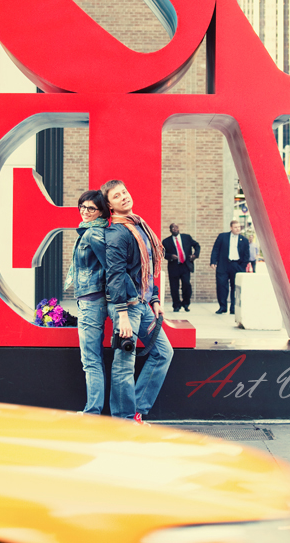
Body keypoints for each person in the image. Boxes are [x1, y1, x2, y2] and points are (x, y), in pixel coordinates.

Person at [101, 179, 174, 424]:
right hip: (127, 308)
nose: (123, 197)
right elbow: (115, 274)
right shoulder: (117, 232)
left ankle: (136, 411)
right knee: (124, 364)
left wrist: (154, 297)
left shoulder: (139, 225)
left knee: (163, 353)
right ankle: (123, 420)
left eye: (124, 192)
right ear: (110, 206)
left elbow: (147, 267)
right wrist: (121, 314)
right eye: (116, 196)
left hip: (143, 304)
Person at [65, 190, 110, 415]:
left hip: (93, 300)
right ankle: (94, 410)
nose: (84, 211)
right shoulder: (89, 231)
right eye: (82, 207)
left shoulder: (94, 234)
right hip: (90, 299)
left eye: (90, 208)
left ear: (101, 211)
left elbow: (112, 266)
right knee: (93, 359)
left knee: (90, 360)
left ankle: (92, 413)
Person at [209, 220, 252, 314]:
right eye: (235, 227)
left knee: (235, 287)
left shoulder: (244, 240)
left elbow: (246, 255)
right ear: (231, 228)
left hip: (236, 265)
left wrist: (242, 267)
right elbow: (215, 249)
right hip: (223, 265)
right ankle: (222, 307)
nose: (238, 229)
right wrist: (213, 261)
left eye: (239, 227)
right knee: (221, 286)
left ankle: (233, 307)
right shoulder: (222, 236)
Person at [162, 223, 200, 312]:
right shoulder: (166, 241)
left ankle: (186, 303)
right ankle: (176, 305)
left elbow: (197, 245)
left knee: (186, 285)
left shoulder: (186, 237)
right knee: (174, 287)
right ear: (170, 230)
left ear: (179, 229)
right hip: (173, 266)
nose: (175, 229)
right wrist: (170, 256)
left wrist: (195, 255)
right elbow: (162, 253)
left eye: (176, 227)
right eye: (173, 228)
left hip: (185, 265)